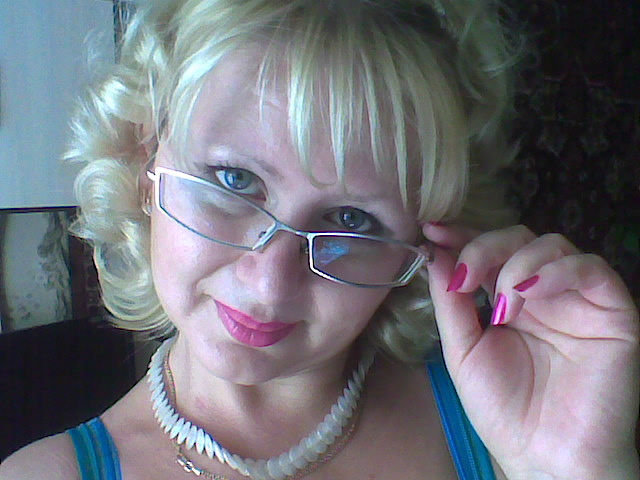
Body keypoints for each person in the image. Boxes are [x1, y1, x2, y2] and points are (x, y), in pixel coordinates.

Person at [2, 0, 639, 478]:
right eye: (234, 180)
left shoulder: (508, 429)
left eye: (352, 220)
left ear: (425, 238)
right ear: (145, 158)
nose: (270, 283)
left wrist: (575, 473)